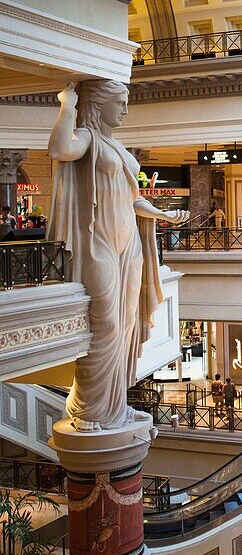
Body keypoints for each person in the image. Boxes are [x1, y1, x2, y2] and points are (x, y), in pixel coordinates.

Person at [47, 80, 189, 430]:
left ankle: (114, 408)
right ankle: (88, 409)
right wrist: (68, 103)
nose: (125, 110)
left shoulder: (120, 147)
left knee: (125, 325)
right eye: (120, 103)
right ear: (99, 105)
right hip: (99, 243)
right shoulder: (87, 138)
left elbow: (132, 199)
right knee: (106, 325)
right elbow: (58, 148)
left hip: (130, 248)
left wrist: (163, 215)